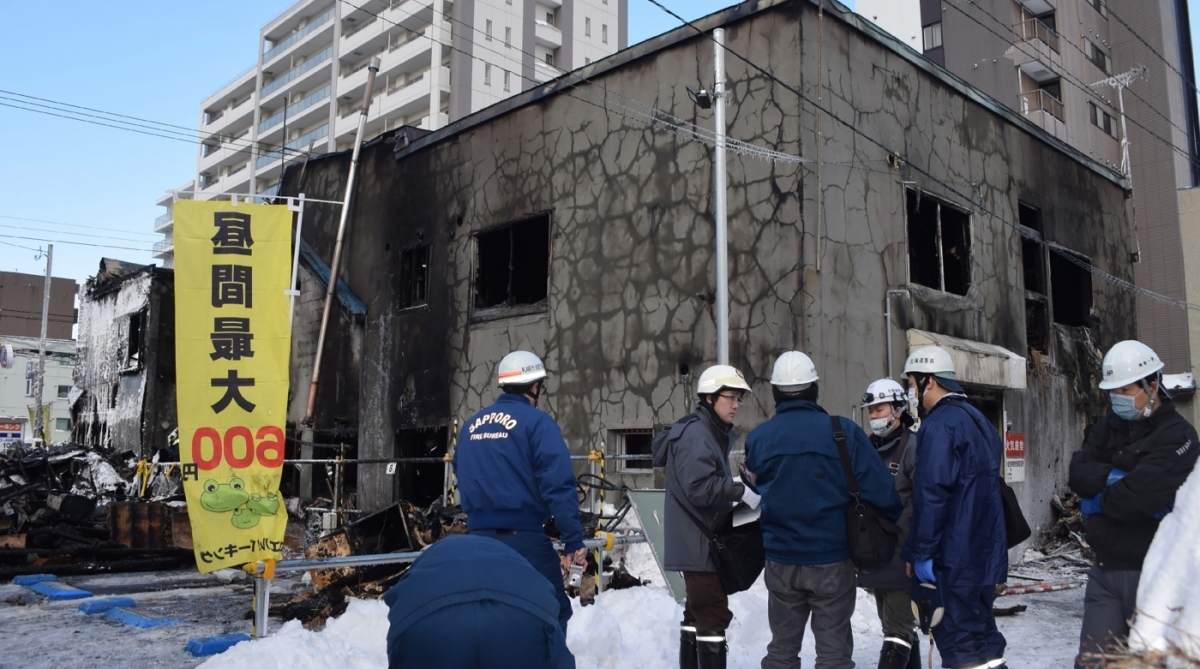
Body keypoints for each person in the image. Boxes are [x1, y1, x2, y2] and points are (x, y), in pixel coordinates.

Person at [746, 352, 902, 669]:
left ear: (775, 392)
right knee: (833, 653)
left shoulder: (758, 439)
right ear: (814, 388)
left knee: (781, 650)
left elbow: (754, 493)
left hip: (780, 559)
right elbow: (884, 493)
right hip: (833, 559)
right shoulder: (842, 432)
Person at [1068, 340, 1199, 669]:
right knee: (1093, 663)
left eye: (1125, 391)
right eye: (1113, 392)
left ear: (1151, 386)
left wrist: (1098, 498)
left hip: (1152, 572)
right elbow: (1078, 473)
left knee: (1148, 662)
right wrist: (1120, 479)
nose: (1117, 399)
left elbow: (1141, 495)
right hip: (1104, 570)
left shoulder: (1179, 436)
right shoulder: (1106, 426)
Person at [452, 350, 586, 636]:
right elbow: (558, 485)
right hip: (522, 539)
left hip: (476, 540)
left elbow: (460, 471)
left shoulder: (471, 426)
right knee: (550, 610)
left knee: (488, 614)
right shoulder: (537, 424)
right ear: (535, 387)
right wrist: (573, 539)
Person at [901, 345, 1008, 669]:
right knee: (985, 642)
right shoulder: (977, 419)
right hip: (984, 557)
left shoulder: (939, 425)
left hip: (954, 558)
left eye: (911, 383)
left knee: (961, 647)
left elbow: (933, 495)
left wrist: (920, 554)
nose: (910, 391)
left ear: (928, 381)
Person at [651, 364, 760, 669]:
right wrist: (739, 491)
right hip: (698, 544)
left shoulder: (706, 431)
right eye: (730, 398)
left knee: (696, 612)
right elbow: (698, 488)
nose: (736, 405)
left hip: (698, 542)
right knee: (711, 613)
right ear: (710, 398)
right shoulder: (697, 435)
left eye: (739, 398)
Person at [384, 533, 575, 669]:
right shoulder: (514, 562)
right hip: (523, 616)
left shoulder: (429, 562)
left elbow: (399, 648)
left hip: (426, 618)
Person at [858, 378, 921, 669]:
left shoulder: (913, 448)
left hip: (903, 556)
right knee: (900, 627)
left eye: (879, 409)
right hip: (876, 554)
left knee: (897, 631)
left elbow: (926, 506)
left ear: (898, 408)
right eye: (870, 411)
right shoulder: (866, 448)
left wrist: (918, 550)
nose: (874, 417)